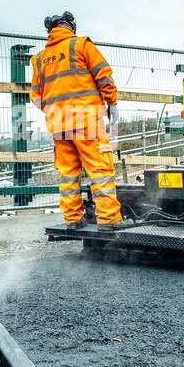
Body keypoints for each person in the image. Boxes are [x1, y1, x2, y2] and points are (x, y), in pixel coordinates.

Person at [30, 12, 130, 231]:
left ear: (50, 30)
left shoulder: (38, 59)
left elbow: (36, 97)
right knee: (100, 170)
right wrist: (112, 103)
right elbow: (104, 76)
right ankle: (108, 220)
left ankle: (73, 219)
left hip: (57, 123)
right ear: (71, 26)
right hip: (87, 120)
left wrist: (56, 112)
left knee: (68, 174)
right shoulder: (82, 45)